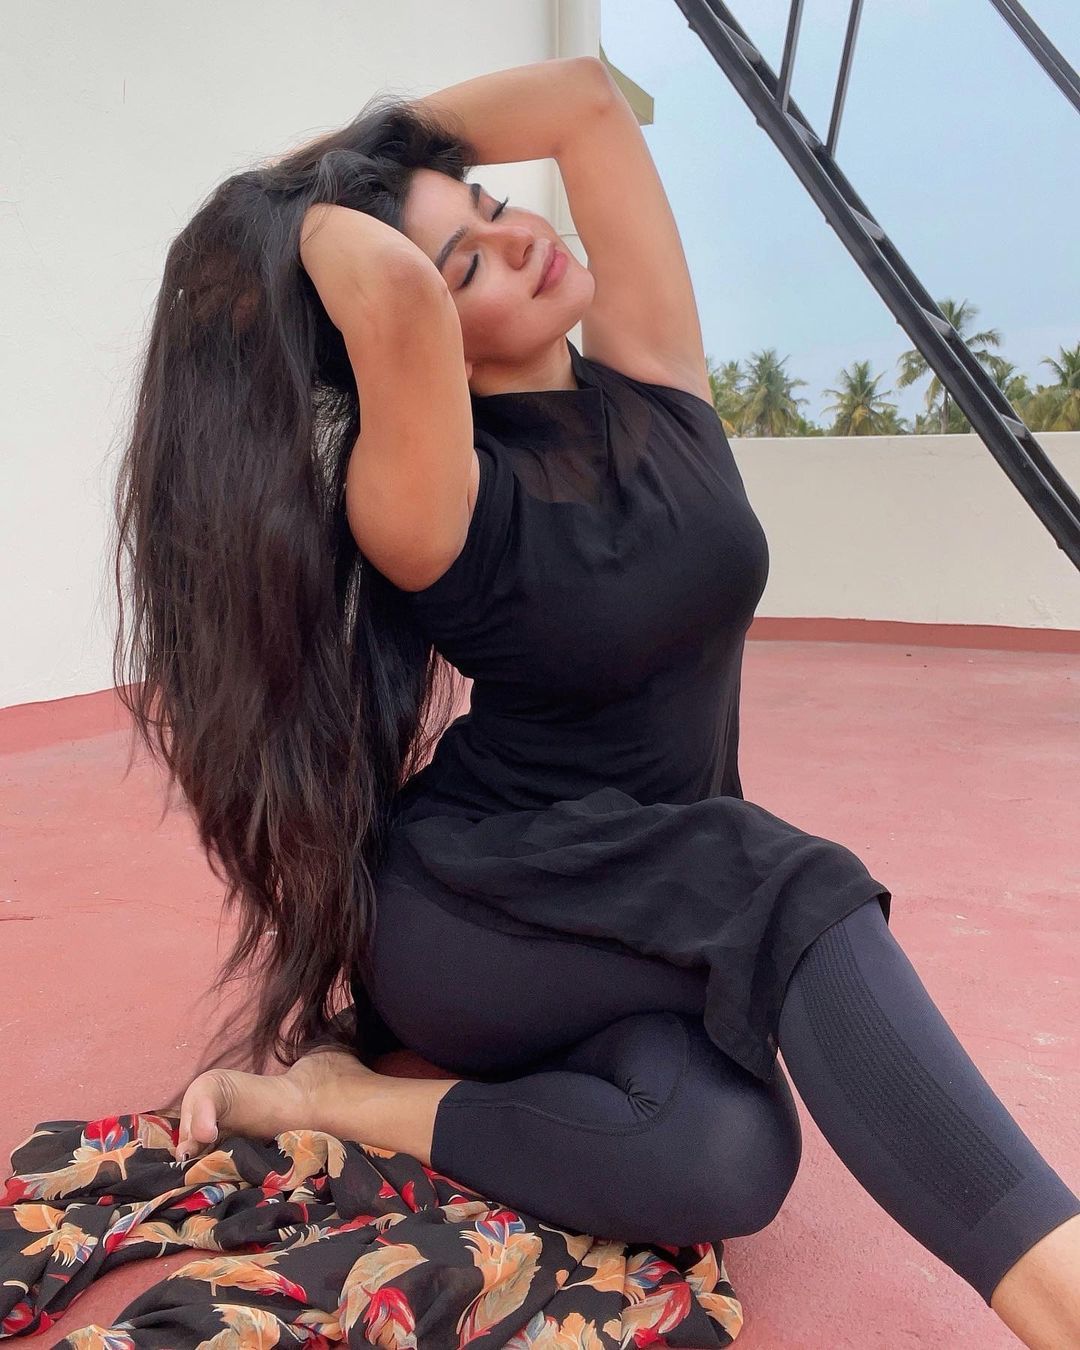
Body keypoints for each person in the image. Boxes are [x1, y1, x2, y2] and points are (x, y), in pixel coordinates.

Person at [106, 59, 1079, 1346]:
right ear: (427, 329)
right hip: (482, 903)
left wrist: (375, 150)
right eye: (468, 264)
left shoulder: (659, 382)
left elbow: (584, 102)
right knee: (794, 886)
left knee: (723, 1156)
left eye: (496, 207)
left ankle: (331, 1097)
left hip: (650, 897)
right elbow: (389, 291)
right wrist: (291, 210)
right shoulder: (425, 498)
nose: (520, 236)